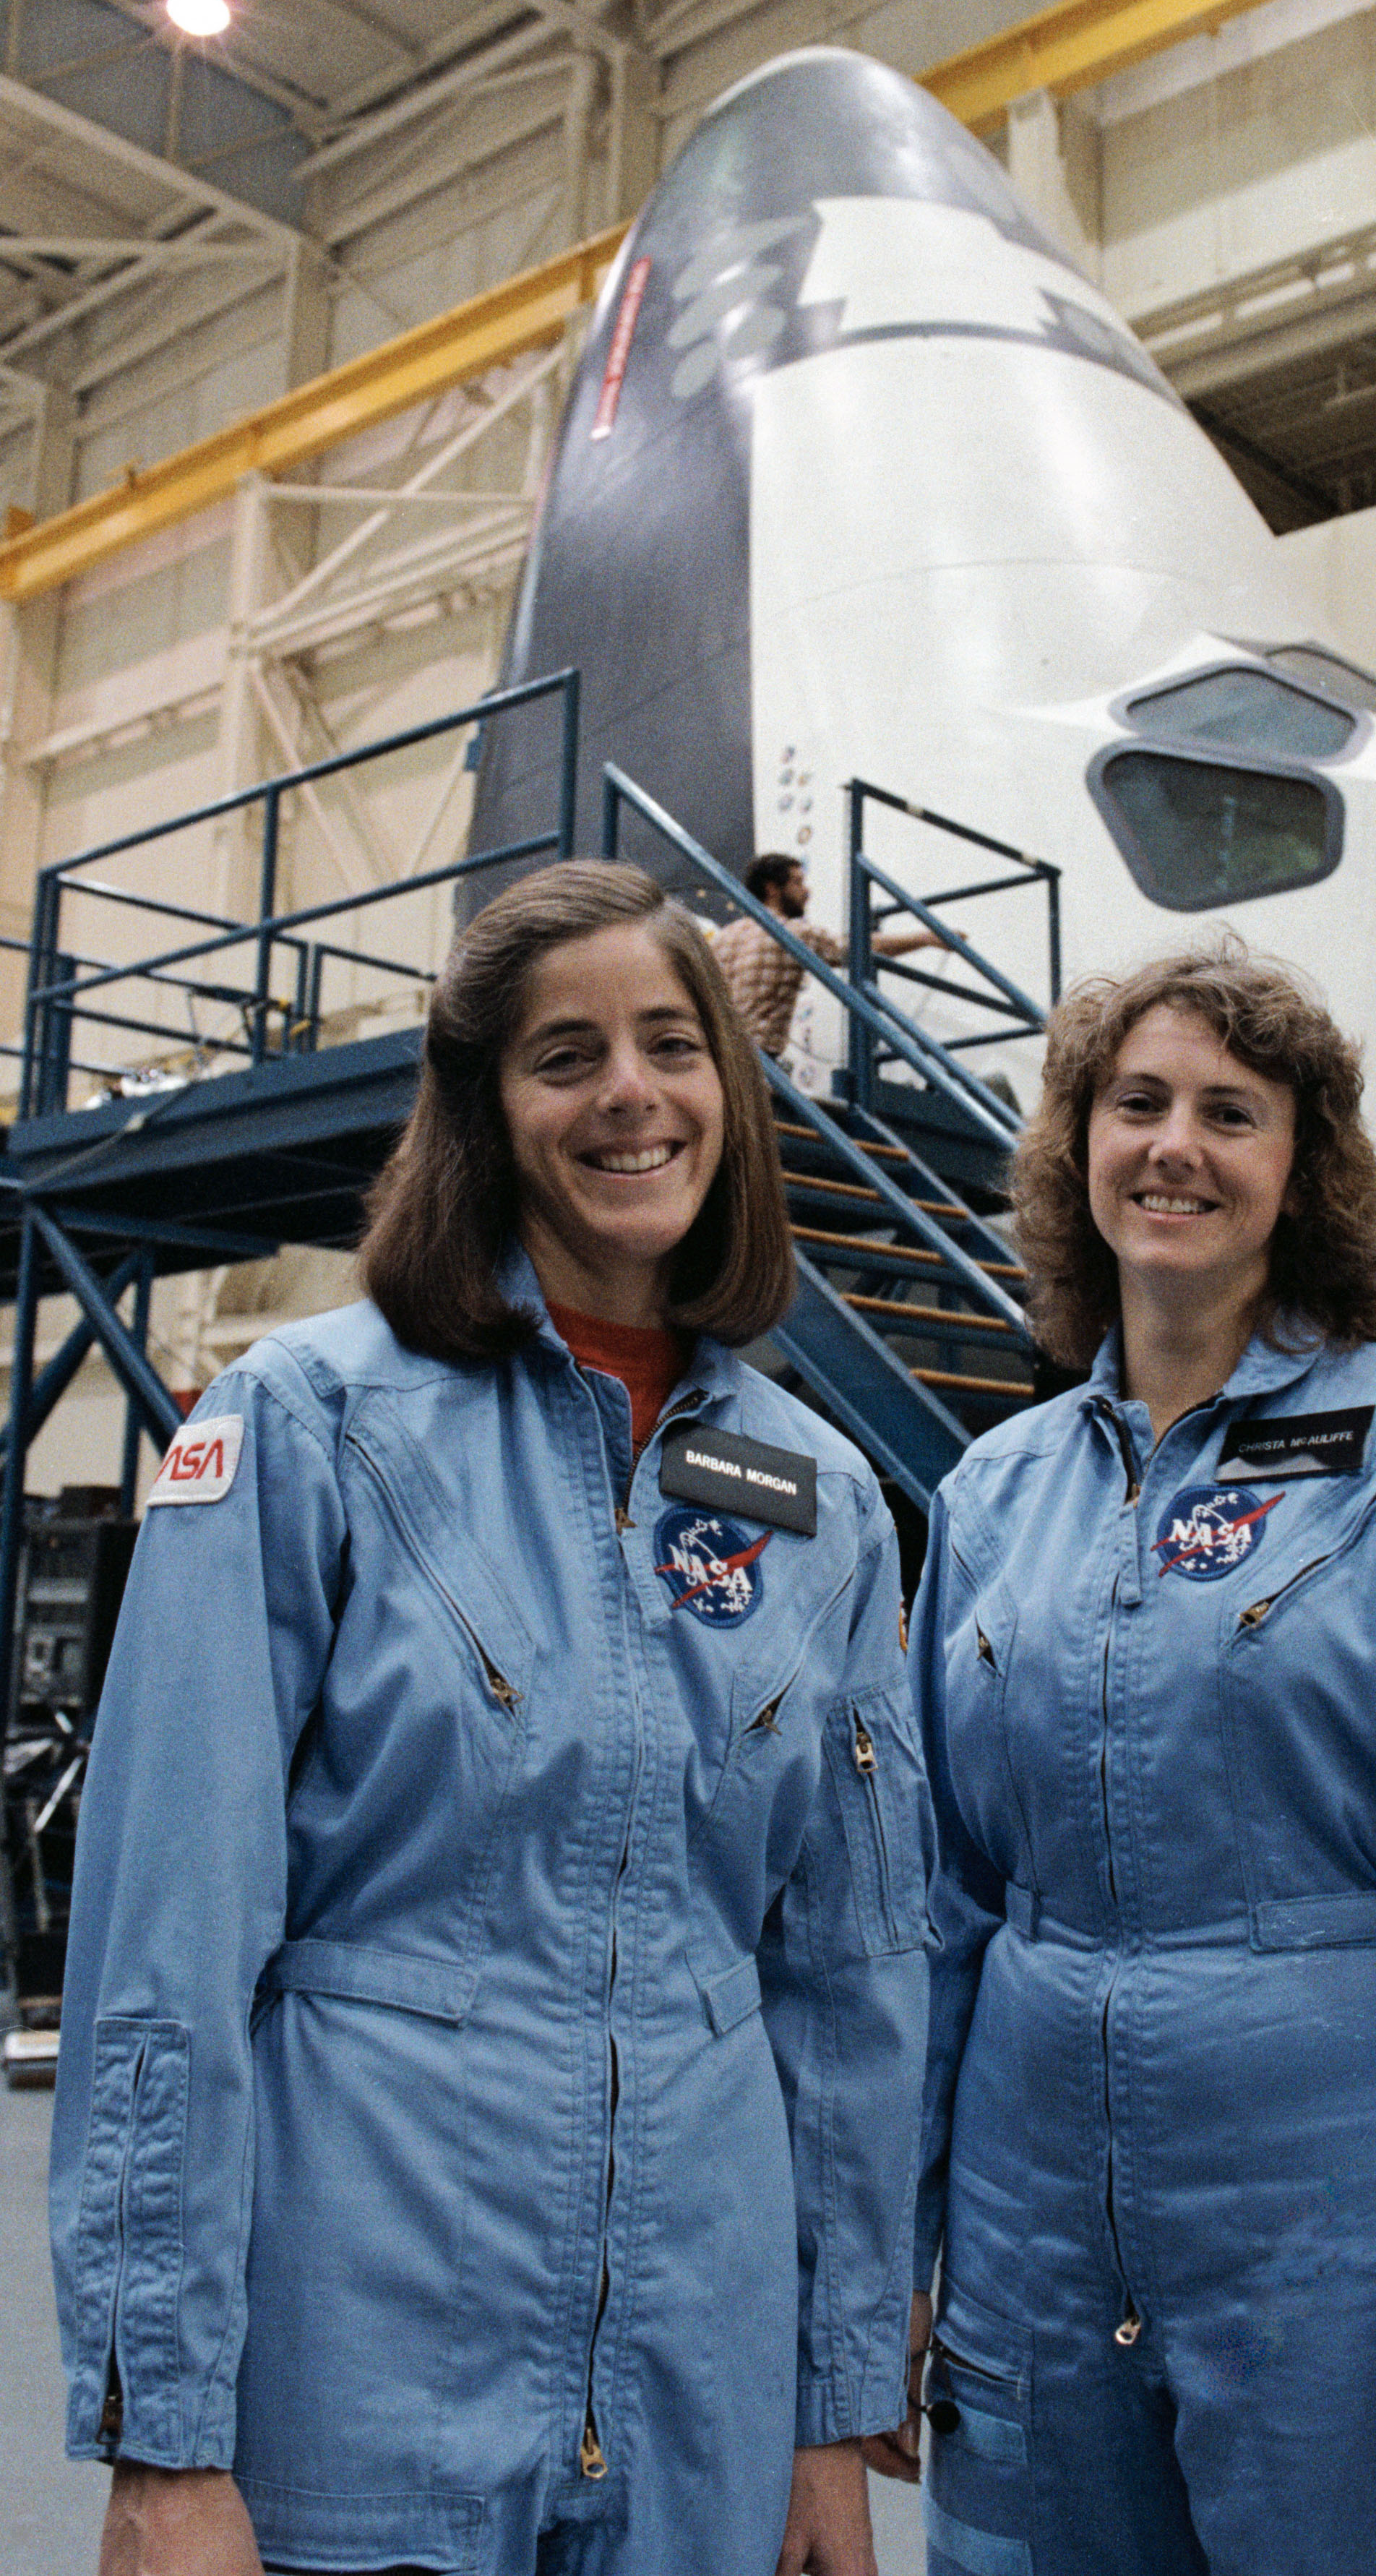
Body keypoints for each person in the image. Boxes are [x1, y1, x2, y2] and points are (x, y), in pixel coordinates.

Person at [51, 860, 934, 2576]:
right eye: (565, 1053)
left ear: (729, 1098)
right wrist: (164, 2438)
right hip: (364, 2372)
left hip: (702, 2392)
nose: (631, 1092)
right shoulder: (306, 1424)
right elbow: (165, 1946)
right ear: (479, 1106)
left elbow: (852, 1977)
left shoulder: (822, 1495)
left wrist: (827, 2408)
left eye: (673, 1045)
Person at [869, 945, 1376, 2576]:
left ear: (1302, 1169)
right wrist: (895, 2248)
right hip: (1028, 2242)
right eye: (1134, 1103)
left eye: (1232, 1111)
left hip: (1335, 2241)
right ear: (1076, 1148)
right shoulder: (994, 1497)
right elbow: (936, 1908)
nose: (1175, 1146)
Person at [712, 854, 948, 1060]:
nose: (806, 891)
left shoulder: (722, 939)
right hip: (756, 1056)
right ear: (772, 889)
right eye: (797, 882)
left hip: (715, 1053)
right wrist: (925, 938)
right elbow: (855, 947)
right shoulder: (792, 932)